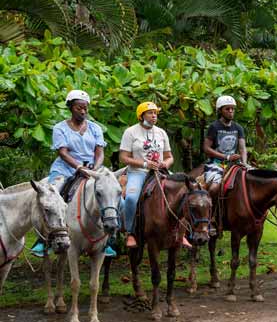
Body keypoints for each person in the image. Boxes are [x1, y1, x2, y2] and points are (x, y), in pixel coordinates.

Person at [31, 89, 115, 257]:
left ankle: (109, 240)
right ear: (70, 107)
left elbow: (100, 153)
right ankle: (43, 240)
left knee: (111, 195)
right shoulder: (59, 128)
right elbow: (63, 152)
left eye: (85, 108)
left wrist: (95, 170)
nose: (83, 111)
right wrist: (79, 168)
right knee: (51, 197)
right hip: (65, 169)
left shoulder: (95, 128)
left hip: (92, 169)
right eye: (79, 108)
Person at [118, 102, 175, 248]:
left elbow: (169, 156)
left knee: (183, 192)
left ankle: (181, 232)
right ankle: (130, 232)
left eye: (155, 113)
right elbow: (124, 158)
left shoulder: (161, 132)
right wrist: (144, 164)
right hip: (138, 172)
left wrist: (166, 164)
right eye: (150, 113)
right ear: (141, 115)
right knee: (130, 199)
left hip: (161, 172)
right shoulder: (130, 132)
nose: (154, 116)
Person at [202, 96, 247, 234]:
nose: (231, 111)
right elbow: (206, 148)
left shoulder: (238, 127)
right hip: (216, 164)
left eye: (232, 109)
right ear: (220, 110)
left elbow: (242, 148)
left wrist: (244, 163)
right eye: (227, 109)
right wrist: (225, 156)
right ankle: (211, 218)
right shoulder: (214, 127)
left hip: (235, 164)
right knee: (215, 188)